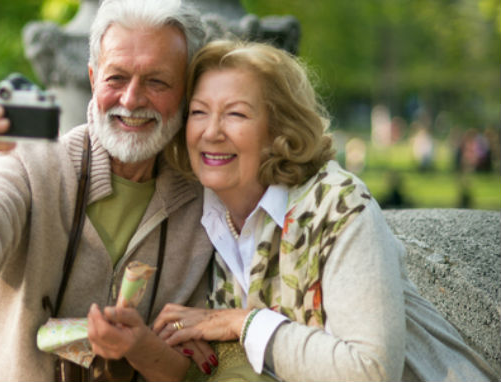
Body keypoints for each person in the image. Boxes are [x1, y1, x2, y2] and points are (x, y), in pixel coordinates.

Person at [149, 40, 499, 381]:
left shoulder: (338, 204)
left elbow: (371, 372)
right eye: (198, 112)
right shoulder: (197, 212)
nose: (211, 131)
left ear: (277, 131)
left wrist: (242, 323)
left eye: (236, 114)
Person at [0, 0, 217, 381]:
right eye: (117, 77)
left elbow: (195, 369)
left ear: (186, 91)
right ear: (93, 78)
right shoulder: (31, 163)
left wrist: (142, 348)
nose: (131, 99)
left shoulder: (204, 205)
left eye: (157, 82)